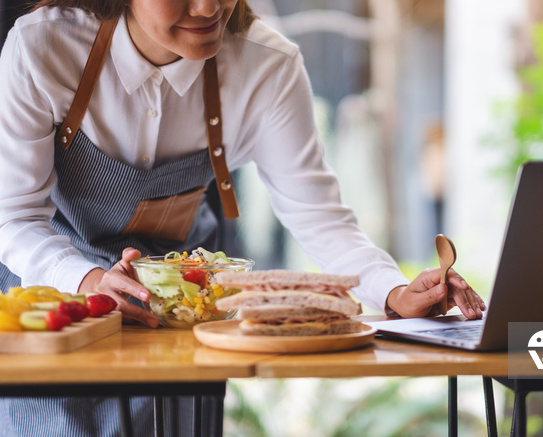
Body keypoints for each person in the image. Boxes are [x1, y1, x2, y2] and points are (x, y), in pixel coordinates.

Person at [0, 0, 486, 435]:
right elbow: (15, 217)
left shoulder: (265, 66)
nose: (210, 6)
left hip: (180, 321)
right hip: (54, 300)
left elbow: (320, 219)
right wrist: (85, 279)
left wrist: (395, 293)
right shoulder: (45, 45)